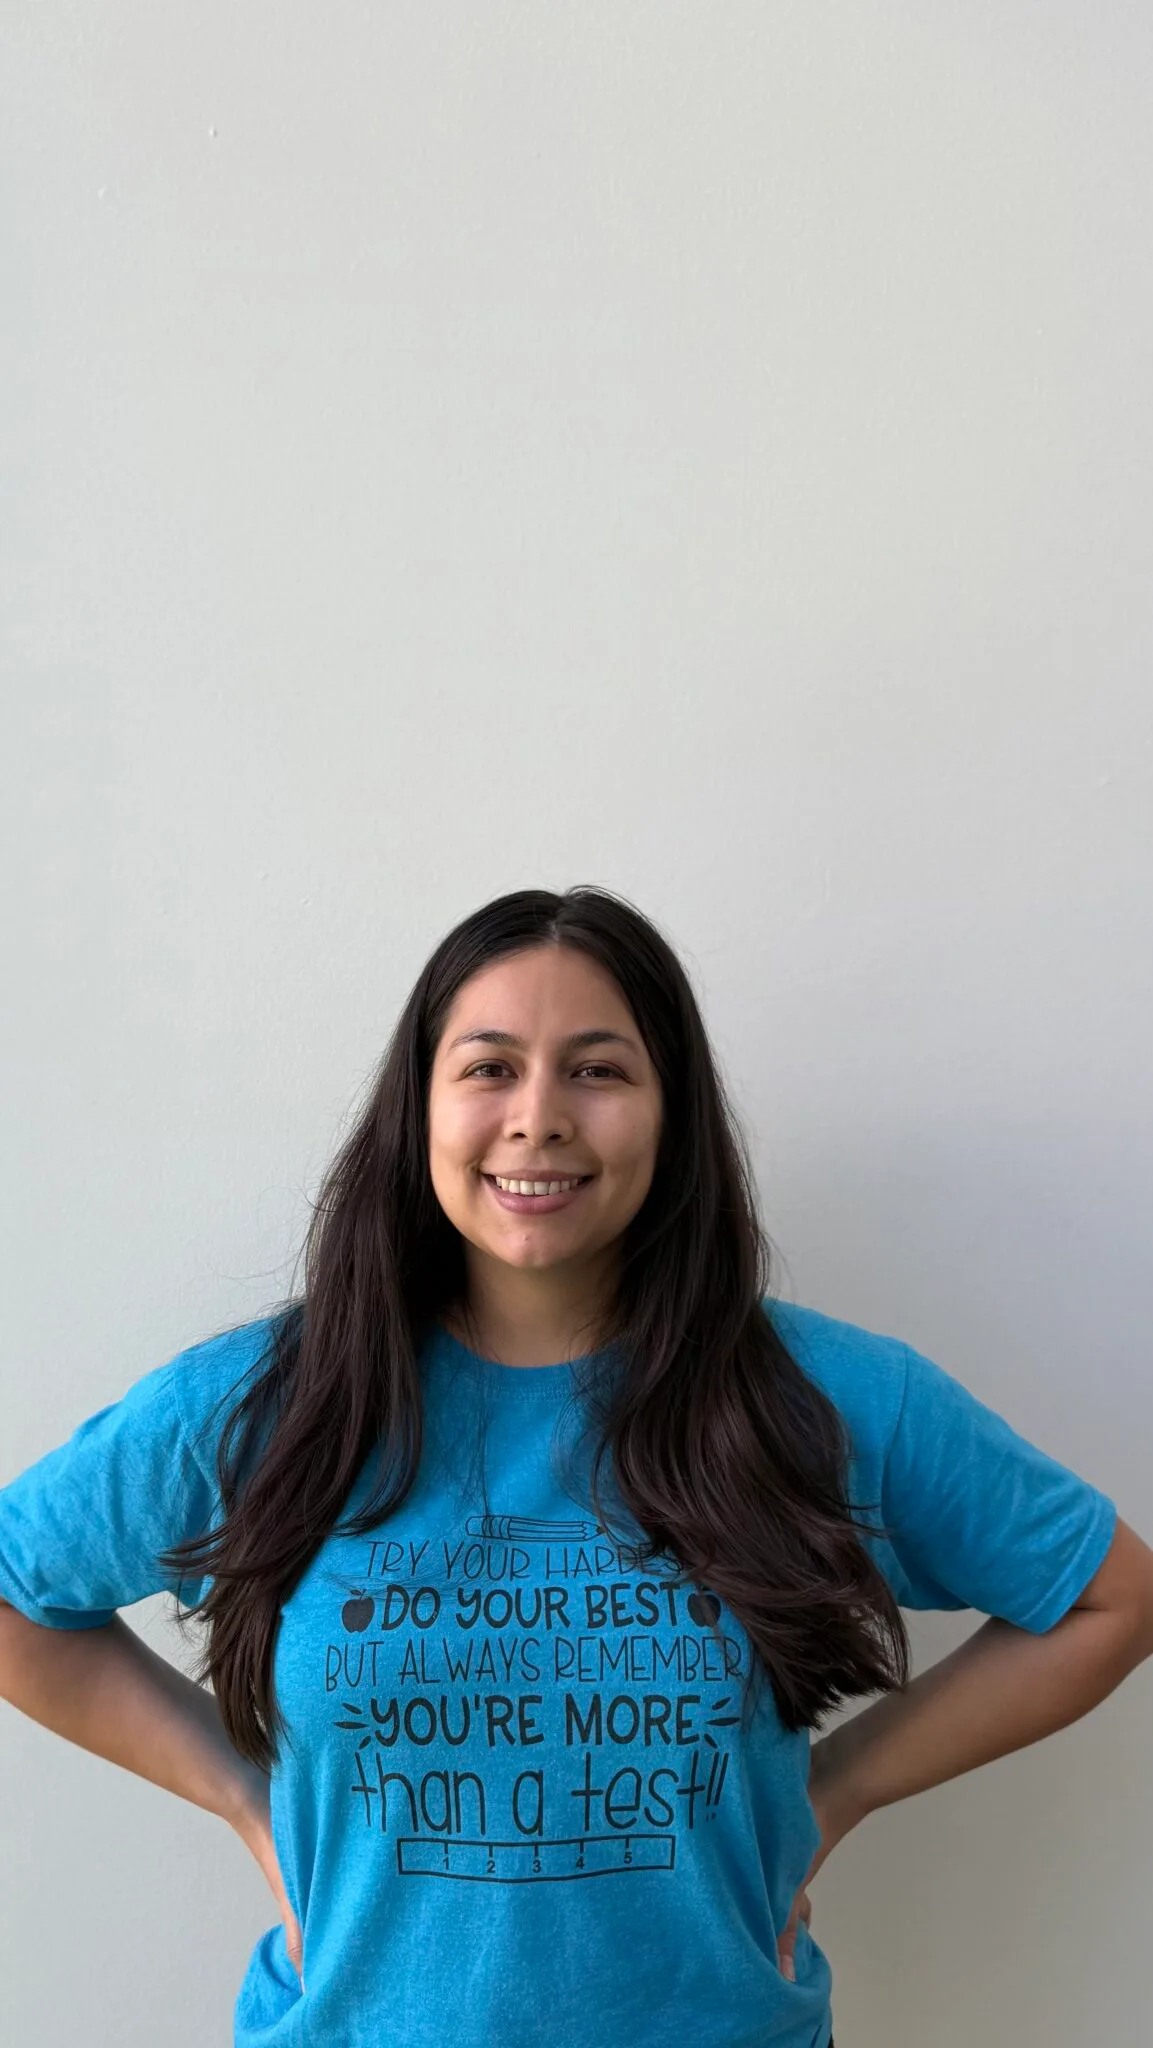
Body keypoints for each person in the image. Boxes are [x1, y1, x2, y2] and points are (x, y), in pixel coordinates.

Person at [1, 884, 1150, 2048]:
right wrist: (249, 1804)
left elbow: (1111, 1597)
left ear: (670, 1112)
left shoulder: (826, 1399)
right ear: (420, 1104)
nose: (538, 1117)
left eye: (597, 1069)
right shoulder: (267, 1404)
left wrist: (834, 1793)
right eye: (489, 1066)